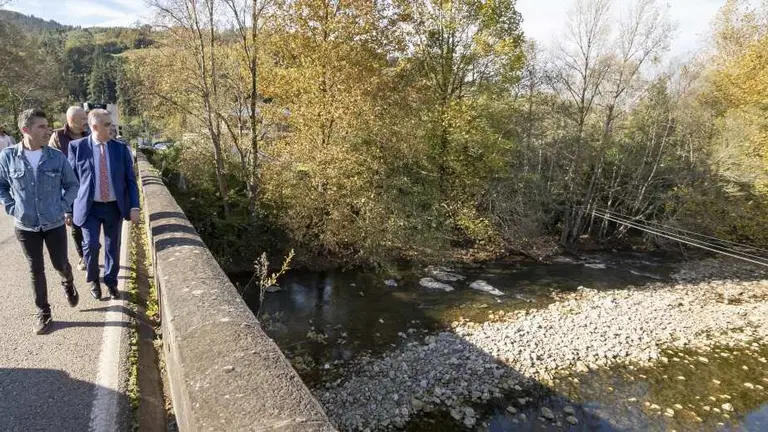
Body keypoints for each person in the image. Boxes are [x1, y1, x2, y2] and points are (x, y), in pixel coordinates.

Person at [0, 109, 80, 334]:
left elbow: (72, 185)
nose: (48, 131)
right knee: (35, 269)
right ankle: (43, 313)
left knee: (59, 264)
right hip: (26, 225)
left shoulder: (56, 157)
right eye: (41, 127)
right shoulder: (7, 157)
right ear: (26, 130)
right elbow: (2, 186)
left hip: (54, 222)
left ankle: (68, 280)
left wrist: (63, 206)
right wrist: (11, 207)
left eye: (47, 126)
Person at [68, 109, 140, 301]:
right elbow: (69, 182)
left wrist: (134, 207)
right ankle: (93, 280)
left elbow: (130, 181)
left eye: (111, 124)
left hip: (114, 207)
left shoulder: (120, 148)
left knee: (112, 247)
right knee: (91, 245)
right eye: (107, 125)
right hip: (89, 208)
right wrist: (68, 209)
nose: (111, 128)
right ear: (94, 127)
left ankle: (111, 282)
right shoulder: (77, 147)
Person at [49, 106, 88, 271]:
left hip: (87, 185)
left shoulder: (89, 135)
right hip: (68, 188)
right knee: (75, 225)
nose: (85, 122)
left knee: (90, 223)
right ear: (71, 121)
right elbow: (51, 161)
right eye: (82, 119)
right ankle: (83, 256)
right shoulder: (57, 136)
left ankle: (91, 250)